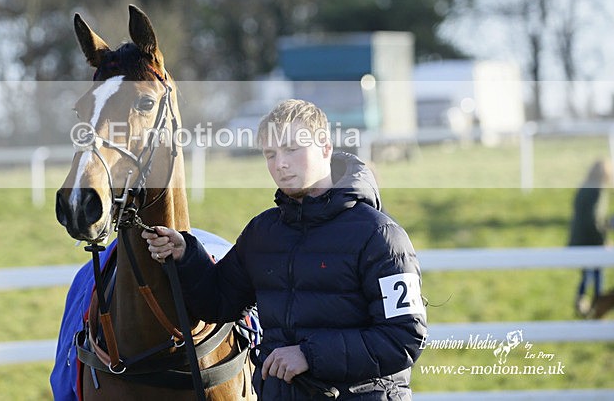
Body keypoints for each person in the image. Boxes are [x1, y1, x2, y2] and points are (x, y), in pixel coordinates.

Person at [143, 99, 427, 400]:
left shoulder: (380, 235)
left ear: (325, 148)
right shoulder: (262, 233)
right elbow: (218, 305)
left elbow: (404, 337)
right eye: (270, 154)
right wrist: (187, 254)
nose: (280, 164)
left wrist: (309, 355)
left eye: (292, 149)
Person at [568, 159, 612, 316]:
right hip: (590, 239)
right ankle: (596, 304)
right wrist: (602, 240)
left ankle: (583, 300)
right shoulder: (597, 190)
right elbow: (594, 219)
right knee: (597, 272)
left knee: (587, 272)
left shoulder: (584, 187)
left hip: (580, 237)